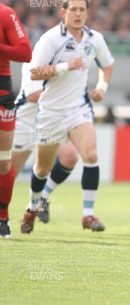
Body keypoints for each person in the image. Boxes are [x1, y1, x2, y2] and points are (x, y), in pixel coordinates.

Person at [20, 0, 114, 234]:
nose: (78, 14)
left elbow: (108, 64)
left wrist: (102, 87)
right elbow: (34, 72)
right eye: (73, 9)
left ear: (87, 13)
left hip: (78, 109)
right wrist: (65, 66)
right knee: (42, 169)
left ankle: (88, 215)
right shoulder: (50, 39)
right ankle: (33, 206)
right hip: (51, 111)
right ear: (63, 13)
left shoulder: (95, 39)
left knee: (91, 155)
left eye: (82, 10)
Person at [12, 61, 80, 225]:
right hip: (26, 123)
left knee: (69, 156)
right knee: (8, 174)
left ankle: (41, 198)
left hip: (49, 124)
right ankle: (3, 219)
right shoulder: (33, 61)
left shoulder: (65, 62)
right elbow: (33, 95)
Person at [0, 3, 33, 238]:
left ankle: (2, 218)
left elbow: (25, 52)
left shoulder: (6, 14)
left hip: (1, 90)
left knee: (3, 161)